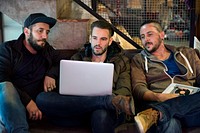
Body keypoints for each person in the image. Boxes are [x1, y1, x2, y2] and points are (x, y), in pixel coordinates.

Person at [36, 20, 135, 133]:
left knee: (100, 114)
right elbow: (66, 88)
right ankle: (105, 101)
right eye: (95, 38)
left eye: (103, 39)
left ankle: (103, 103)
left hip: (104, 111)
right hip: (79, 110)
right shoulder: (78, 58)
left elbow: (125, 91)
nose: (98, 43)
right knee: (42, 98)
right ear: (90, 38)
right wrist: (51, 75)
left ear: (110, 41)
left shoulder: (121, 62)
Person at [131, 20, 200, 133]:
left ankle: (157, 113)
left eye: (150, 34)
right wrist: (158, 97)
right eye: (142, 37)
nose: (146, 40)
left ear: (162, 35)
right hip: (160, 101)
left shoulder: (187, 53)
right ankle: (162, 111)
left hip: (190, 104)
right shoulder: (139, 60)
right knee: (170, 122)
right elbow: (138, 88)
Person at [0, 13, 64, 132]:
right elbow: (1, 78)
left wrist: (51, 74)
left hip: (40, 104)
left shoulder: (46, 50)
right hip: (15, 102)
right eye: (40, 31)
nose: (45, 36)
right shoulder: (8, 49)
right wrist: (27, 101)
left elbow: (62, 62)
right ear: (26, 31)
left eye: (47, 32)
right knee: (5, 87)